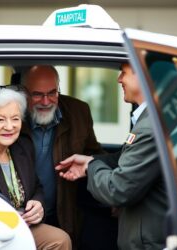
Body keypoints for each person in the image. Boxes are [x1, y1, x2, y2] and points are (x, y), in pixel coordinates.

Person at [56, 63, 168, 250]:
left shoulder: (150, 127)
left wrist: (90, 168)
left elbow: (117, 189)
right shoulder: (152, 118)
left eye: (123, 73)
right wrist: (93, 160)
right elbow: (127, 158)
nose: (119, 79)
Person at [21, 65, 118, 249]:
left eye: (52, 93)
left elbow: (94, 154)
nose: (46, 101)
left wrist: (115, 190)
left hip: (65, 212)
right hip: (23, 216)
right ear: (24, 94)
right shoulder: (11, 117)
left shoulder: (78, 112)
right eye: (37, 94)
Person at [0, 85, 71, 250]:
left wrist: (38, 204)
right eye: (0, 120)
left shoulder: (23, 146)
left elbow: (36, 186)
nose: (10, 127)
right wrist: (6, 217)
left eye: (15, 118)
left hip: (23, 225)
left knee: (60, 240)